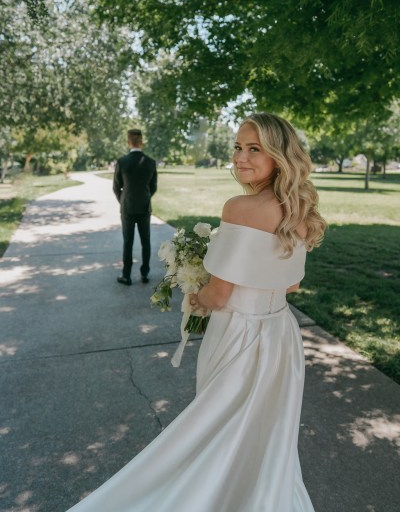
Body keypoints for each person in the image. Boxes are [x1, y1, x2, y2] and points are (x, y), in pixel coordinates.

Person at [67, 113, 326, 512]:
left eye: (254, 149)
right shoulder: (300, 211)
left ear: (279, 155)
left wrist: (194, 294)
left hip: (238, 336)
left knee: (213, 429)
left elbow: (219, 295)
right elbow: (290, 285)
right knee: (266, 436)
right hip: (281, 337)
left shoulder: (240, 207)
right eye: (238, 147)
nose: (240, 158)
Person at [113, 129, 157, 285]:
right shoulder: (150, 162)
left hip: (128, 209)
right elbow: (153, 187)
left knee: (128, 242)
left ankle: (127, 275)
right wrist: (144, 198)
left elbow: (116, 187)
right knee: (146, 241)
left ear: (129, 142)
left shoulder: (122, 161)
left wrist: (124, 200)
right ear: (141, 141)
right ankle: (145, 274)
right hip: (144, 207)